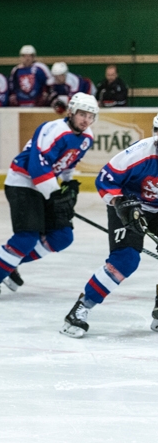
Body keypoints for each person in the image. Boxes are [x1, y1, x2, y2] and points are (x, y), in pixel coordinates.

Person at [0, 93, 98, 302]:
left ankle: (7, 263)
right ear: (71, 112)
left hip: (45, 186)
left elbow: (69, 162)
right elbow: (36, 166)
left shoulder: (87, 137)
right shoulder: (53, 130)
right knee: (27, 237)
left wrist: (68, 183)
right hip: (22, 182)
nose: (86, 120)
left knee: (62, 237)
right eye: (82, 114)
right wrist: (55, 195)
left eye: (91, 116)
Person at [61, 114, 158, 338]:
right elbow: (105, 179)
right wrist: (120, 202)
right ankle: (82, 307)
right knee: (126, 260)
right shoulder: (138, 154)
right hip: (129, 205)